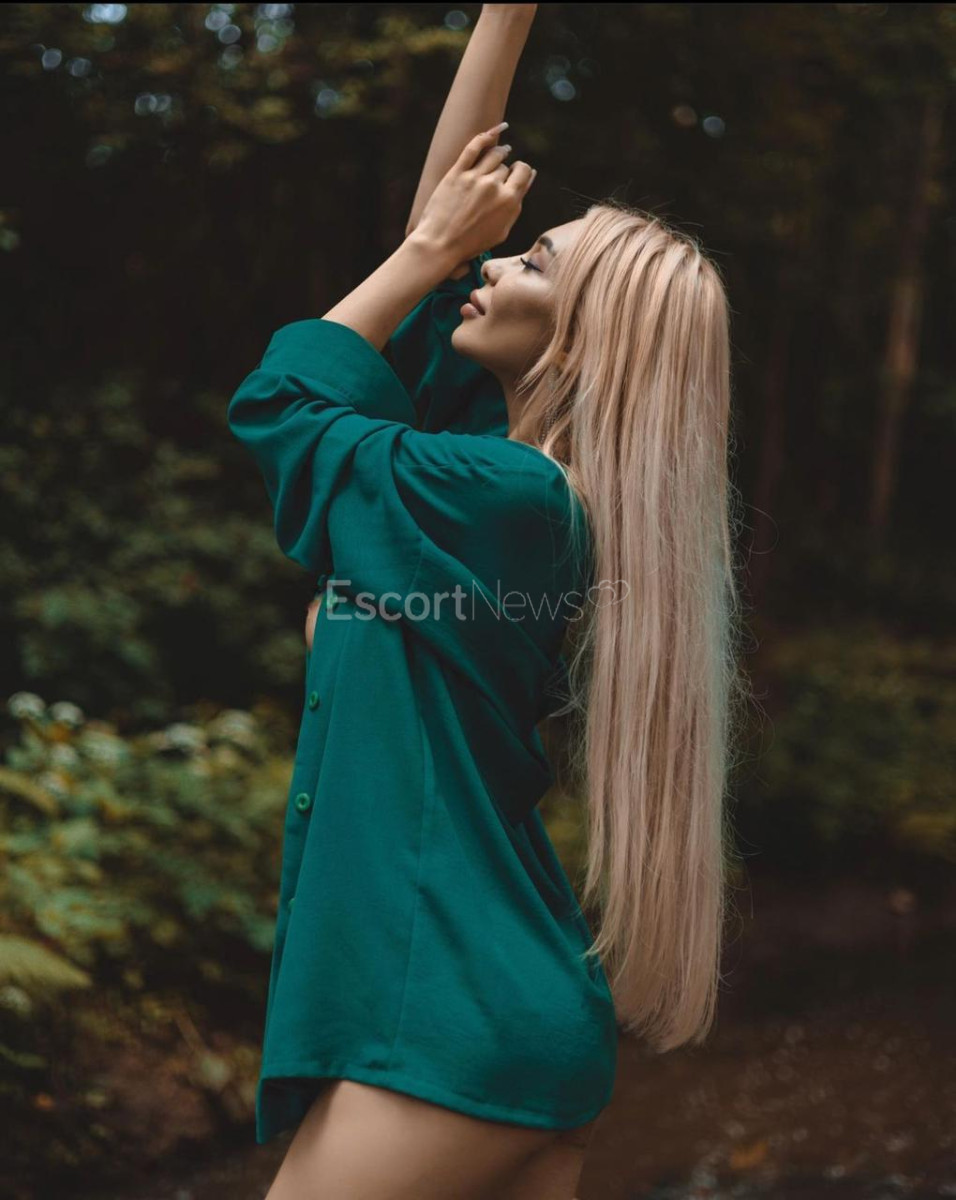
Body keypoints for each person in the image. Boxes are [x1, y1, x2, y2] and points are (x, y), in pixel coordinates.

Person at [227, 5, 747, 1198]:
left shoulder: (500, 500)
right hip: (484, 1005)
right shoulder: (500, 480)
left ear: (581, 342)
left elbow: (283, 403)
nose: (493, 264)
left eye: (532, 262)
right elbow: (437, 249)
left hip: (441, 1014)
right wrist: (504, 18)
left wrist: (422, 254)